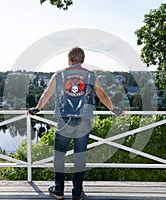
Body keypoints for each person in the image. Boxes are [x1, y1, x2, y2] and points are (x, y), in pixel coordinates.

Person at [28, 47, 122, 200]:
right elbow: (103, 96)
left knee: (59, 155)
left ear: (69, 59)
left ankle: (58, 190)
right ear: (82, 60)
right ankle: (77, 192)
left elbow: (46, 95)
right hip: (84, 121)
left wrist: (37, 108)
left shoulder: (59, 75)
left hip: (64, 120)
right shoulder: (91, 75)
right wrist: (114, 109)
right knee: (80, 157)